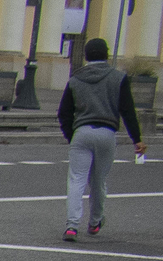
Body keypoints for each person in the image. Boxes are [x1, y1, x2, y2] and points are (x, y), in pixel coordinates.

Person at [57, 39, 147, 242]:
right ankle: (95, 222)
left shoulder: (75, 79)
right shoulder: (119, 78)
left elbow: (64, 113)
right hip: (107, 133)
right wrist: (137, 139)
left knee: (76, 179)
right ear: (106, 55)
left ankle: (72, 226)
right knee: (98, 181)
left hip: (81, 132)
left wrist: (72, 135)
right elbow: (127, 111)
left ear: (86, 56)